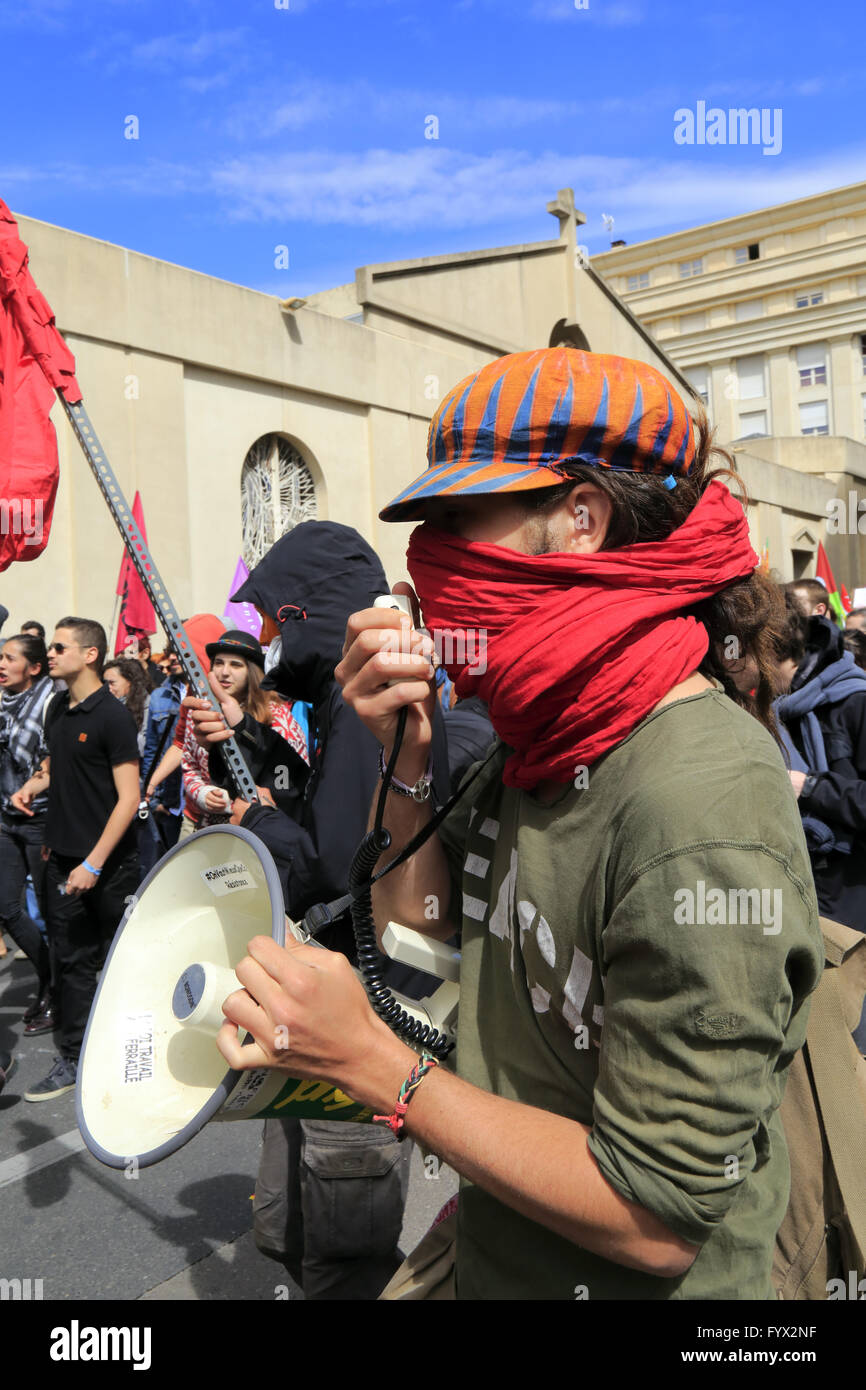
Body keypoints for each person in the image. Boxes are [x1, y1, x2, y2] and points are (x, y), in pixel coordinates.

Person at [214, 348, 824, 1301]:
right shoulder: (534, 743)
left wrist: (379, 1069)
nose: (433, 560)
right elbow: (422, 950)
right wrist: (406, 757)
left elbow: (656, 1215)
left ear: (582, 519)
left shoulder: (701, 801)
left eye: (462, 520)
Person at [188, 522, 449, 1300]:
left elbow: (340, 863)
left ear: (308, 608)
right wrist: (252, 748)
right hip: (316, 1003)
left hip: (360, 1017)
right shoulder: (348, 702)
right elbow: (321, 806)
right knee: (285, 1225)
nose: (264, 637)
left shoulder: (367, 706)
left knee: (343, 1258)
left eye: (273, 616)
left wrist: (250, 816)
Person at [11, 617, 141, 1101]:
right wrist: (36, 782)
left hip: (109, 866)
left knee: (124, 960)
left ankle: (132, 1053)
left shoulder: (112, 716)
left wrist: (93, 863)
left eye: (60, 646)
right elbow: (58, 765)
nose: (51, 653)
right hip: (62, 860)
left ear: (90, 654)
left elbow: (129, 798)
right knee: (71, 964)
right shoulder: (57, 711)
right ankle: (75, 1058)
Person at [0, 632, 54, 1028]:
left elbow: (53, 760)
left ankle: (59, 991)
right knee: (6, 907)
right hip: (5, 816)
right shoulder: (1, 702)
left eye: (9, 658)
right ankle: (49, 974)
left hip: (41, 818)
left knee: (53, 911)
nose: (0, 664)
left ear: (33, 668)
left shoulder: (51, 703)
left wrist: (36, 783)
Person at [138, 645, 185, 878]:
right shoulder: (160, 696)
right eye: (171, 651)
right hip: (169, 804)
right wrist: (152, 797)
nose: (172, 658)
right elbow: (152, 752)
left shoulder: (213, 696)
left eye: (180, 650)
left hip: (203, 803)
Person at [104, 657, 151, 755]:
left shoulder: (148, 704)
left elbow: (143, 744)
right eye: (105, 683)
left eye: (112, 683)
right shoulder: (104, 704)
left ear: (130, 682)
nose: (108, 688)